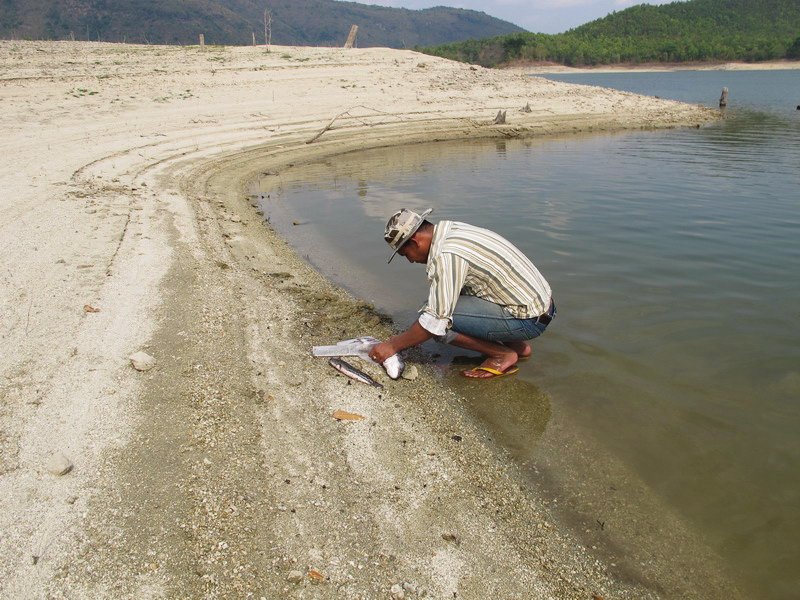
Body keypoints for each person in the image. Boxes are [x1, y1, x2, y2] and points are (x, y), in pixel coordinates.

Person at [369, 208, 555, 379]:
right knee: (445, 302)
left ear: (415, 242)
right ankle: (517, 346)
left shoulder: (446, 255)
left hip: (528, 320)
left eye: (405, 254)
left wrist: (393, 346)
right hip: (540, 307)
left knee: (437, 321)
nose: (409, 261)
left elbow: (435, 320)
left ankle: (502, 354)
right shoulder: (451, 230)